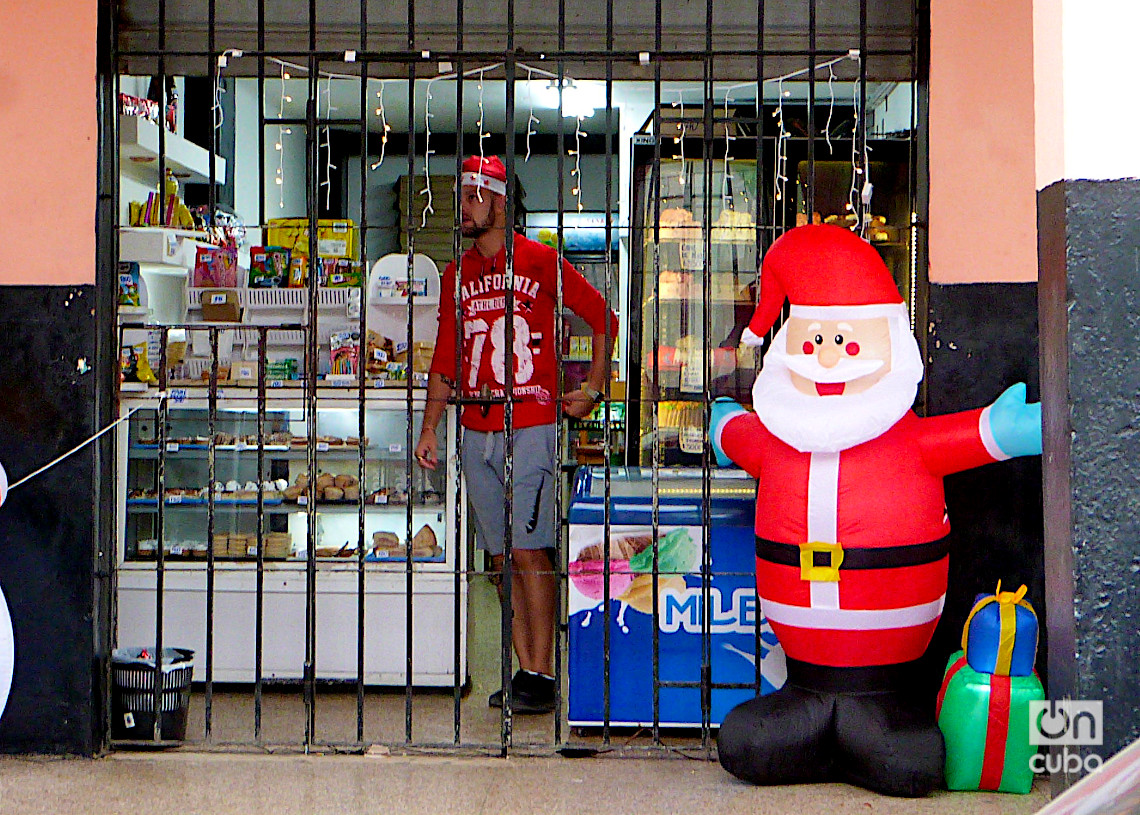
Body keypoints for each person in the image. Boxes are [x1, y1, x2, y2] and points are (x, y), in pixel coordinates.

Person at [710, 224, 1042, 796]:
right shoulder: (781, 436)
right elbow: (740, 435)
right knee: (744, 743)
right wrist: (723, 423)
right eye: (812, 341)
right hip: (804, 675)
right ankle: (813, 713)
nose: (826, 356)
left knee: (907, 763)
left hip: (887, 683)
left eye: (845, 340)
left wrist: (1015, 428)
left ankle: (874, 718)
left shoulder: (907, 440)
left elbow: (974, 437)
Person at [414, 155, 618, 714]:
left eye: (475, 197)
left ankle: (543, 675)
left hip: (530, 423)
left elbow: (602, 315)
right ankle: (526, 671)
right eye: (462, 197)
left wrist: (595, 387)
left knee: (531, 551)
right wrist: (431, 426)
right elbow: (446, 359)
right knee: (501, 556)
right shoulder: (457, 275)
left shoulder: (541, 261)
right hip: (474, 428)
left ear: (500, 203)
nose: (464, 207)